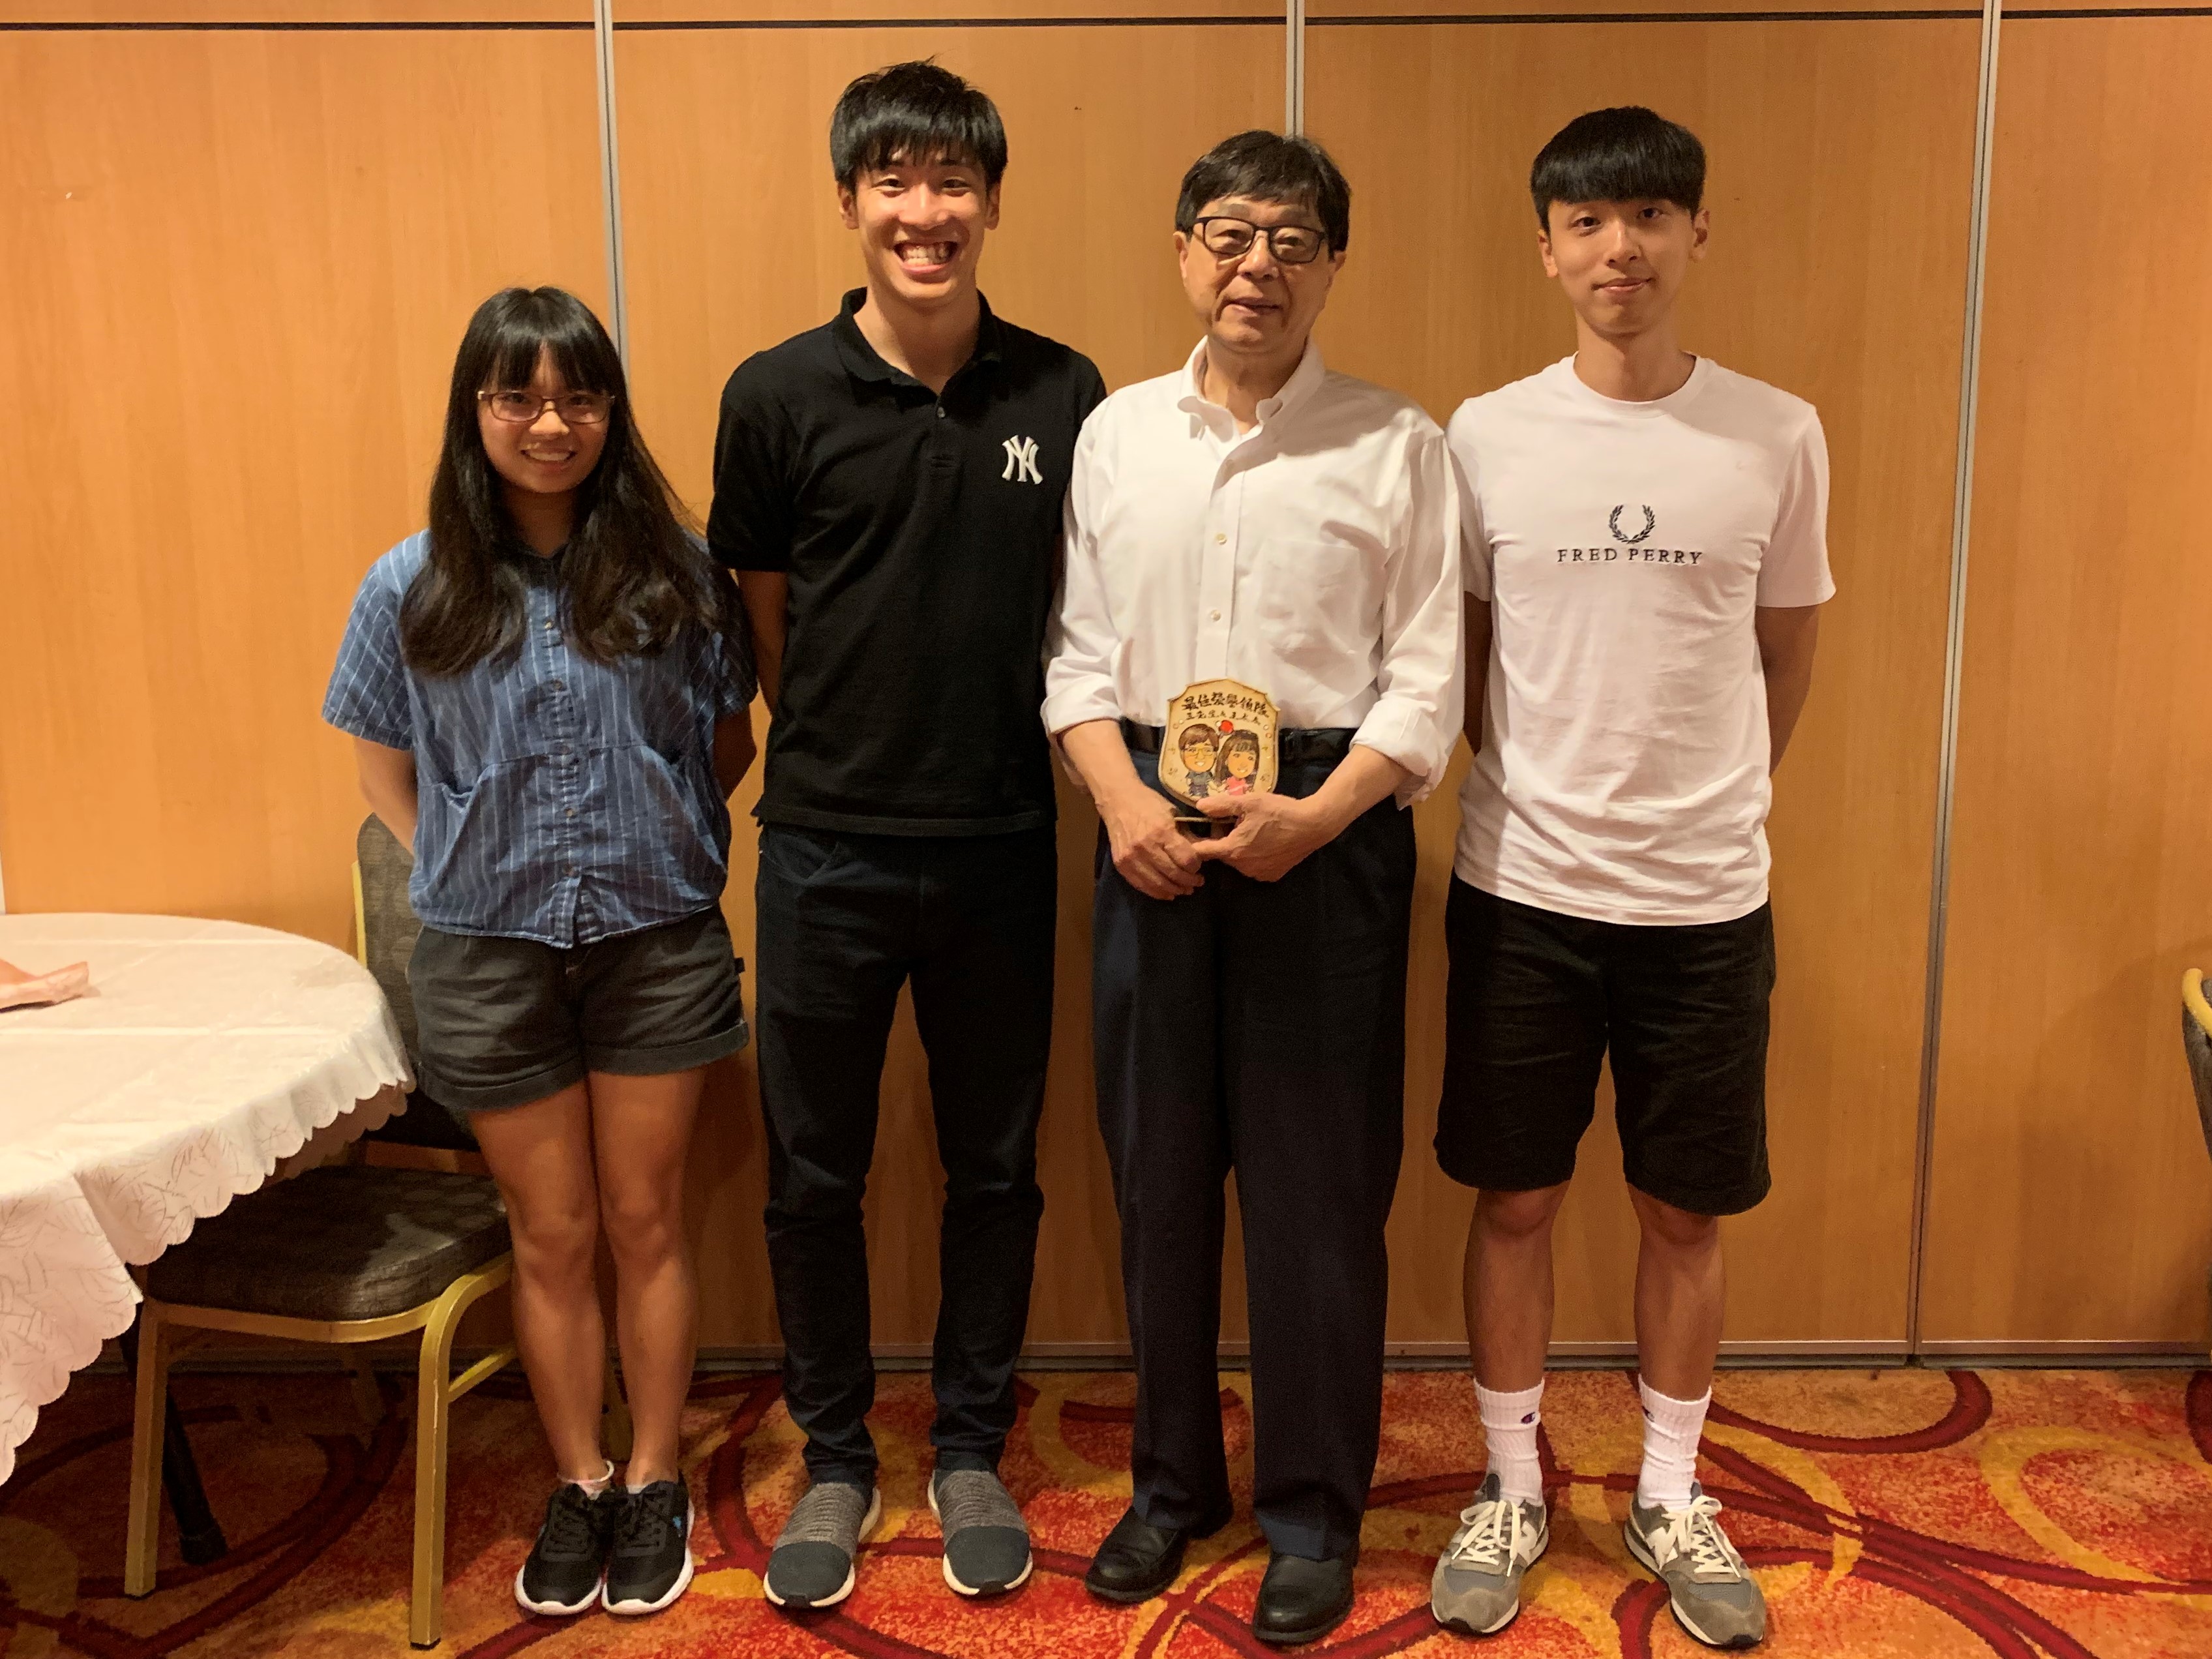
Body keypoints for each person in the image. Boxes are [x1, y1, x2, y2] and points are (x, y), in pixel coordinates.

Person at [1047, 130, 1463, 1647]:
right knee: (1159, 1179)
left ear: (1332, 265)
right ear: (1182, 254)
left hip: (1324, 821)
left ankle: (1309, 1508)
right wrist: (1118, 804)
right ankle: (1171, 1486)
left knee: (1314, 1192)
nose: (1256, 266)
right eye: (1227, 234)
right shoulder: (1113, 435)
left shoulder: (1396, 441)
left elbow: (1426, 682)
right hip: (1145, 816)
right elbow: (1077, 659)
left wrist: (1323, 815)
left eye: (1292, 239)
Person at [1427, 107, 1831, 1651]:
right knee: (1514, 1196)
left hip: (1706, 903)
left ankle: (1669, 1489)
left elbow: (1784, 656)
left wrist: (1705, 799)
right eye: (1588, 222)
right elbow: (1461, 660)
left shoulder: (1775, 432)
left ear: (1696, 236)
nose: (1620, 248)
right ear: (1547, 248)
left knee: (1683, 1210)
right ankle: (1511, 1486)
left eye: (1651, 216)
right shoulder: (1485, 432)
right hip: (1523, 887)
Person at [707, 61, 1106, 1609]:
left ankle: (966, 1445)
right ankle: (831, 1458)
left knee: (993, 1168)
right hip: (821, 847)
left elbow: (1085, 611)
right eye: (896, 181)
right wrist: (849, 751)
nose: (925, 212)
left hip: (1005, 840)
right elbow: (766, 621)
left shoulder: (1063, 391)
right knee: (815, 1169)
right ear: (852, 200)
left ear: (992, 203)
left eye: (953, 184)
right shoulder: (775, 393)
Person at [323, 286, 757, 1621]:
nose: (549, 422)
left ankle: (650, 1475)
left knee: (643, 1221)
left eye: (577, 395)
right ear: (477, 412)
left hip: (653, 940)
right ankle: (577, 1479)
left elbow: (726, 738)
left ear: (610, 412)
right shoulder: (411, 582)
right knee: (551, 1232)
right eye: (517, 396)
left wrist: (662, 834)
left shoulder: (676, 570)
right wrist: (454, 853)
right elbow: (382, 760)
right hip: (489, 952)